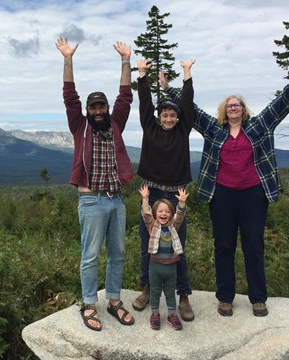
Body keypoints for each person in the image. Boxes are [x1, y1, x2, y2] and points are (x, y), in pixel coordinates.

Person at [161, 54, 289, 317]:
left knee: (253, 245)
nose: (233, 108)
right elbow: (191, 110)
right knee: (224, 246)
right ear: (224, 109)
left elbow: (281, 104)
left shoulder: (259, 127)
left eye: (237, 105)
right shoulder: (214, 129)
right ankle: (225, 298)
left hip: (254, 194)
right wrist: (168, 89)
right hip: (222, 195)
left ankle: (258, 298)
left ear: (243, 109)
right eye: (229, 105)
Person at [56, 36, 135, 331]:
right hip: (90, 200)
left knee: (118, 254)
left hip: (116, 199)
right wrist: (67, 59)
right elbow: (69, 97)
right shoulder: (80, 126)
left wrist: (126, 61)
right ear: (89, 110)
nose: (100, 110)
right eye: (95, 107)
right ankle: (89, 303)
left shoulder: (115, 123)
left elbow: (125, 96)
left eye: (102, 106)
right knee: (90, 256)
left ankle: (113, 300)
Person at [132, 58, 197, 323]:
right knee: (148, 245)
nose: (168, 118)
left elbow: (189, 104)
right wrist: (142, 74)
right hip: (151, 193)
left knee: (176, 246)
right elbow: (144, 103)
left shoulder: (183, 130)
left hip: (175, 195)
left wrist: (187, 75)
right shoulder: (150, 128)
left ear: (177, 117)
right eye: (165, 115)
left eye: (172, 114)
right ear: (159, 117)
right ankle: (147, 289)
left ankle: (183, 296)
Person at [139, 184, 189, 330]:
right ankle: (155, 313)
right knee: (154, 291)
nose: (163, 214)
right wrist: (145, 198)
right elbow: (146, 213)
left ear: (170, 214)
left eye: (167, 211)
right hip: (155, 267)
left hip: (171, 267)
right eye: (160, 211)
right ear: (156, 213)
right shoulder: (152, 226)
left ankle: (172, 314)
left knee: (169, 292)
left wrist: (182, 202)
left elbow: (179, 215)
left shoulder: (174, 227)